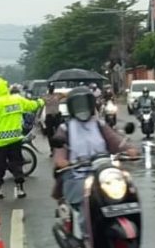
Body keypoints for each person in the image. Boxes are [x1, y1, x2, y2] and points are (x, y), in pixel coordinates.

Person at [52, 87, 136, 238]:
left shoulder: (100, 125)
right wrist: (62, 161)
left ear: (91, 105)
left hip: (104, 173)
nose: (82, 108)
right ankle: (86, 238)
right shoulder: (65, 128)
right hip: (77, 174)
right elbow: (60, 153)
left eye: (85, 104)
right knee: (87, 204)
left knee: (129, 192)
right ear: (71, 107)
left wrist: (129, 150)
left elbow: (116, 141)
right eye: (78, 105)